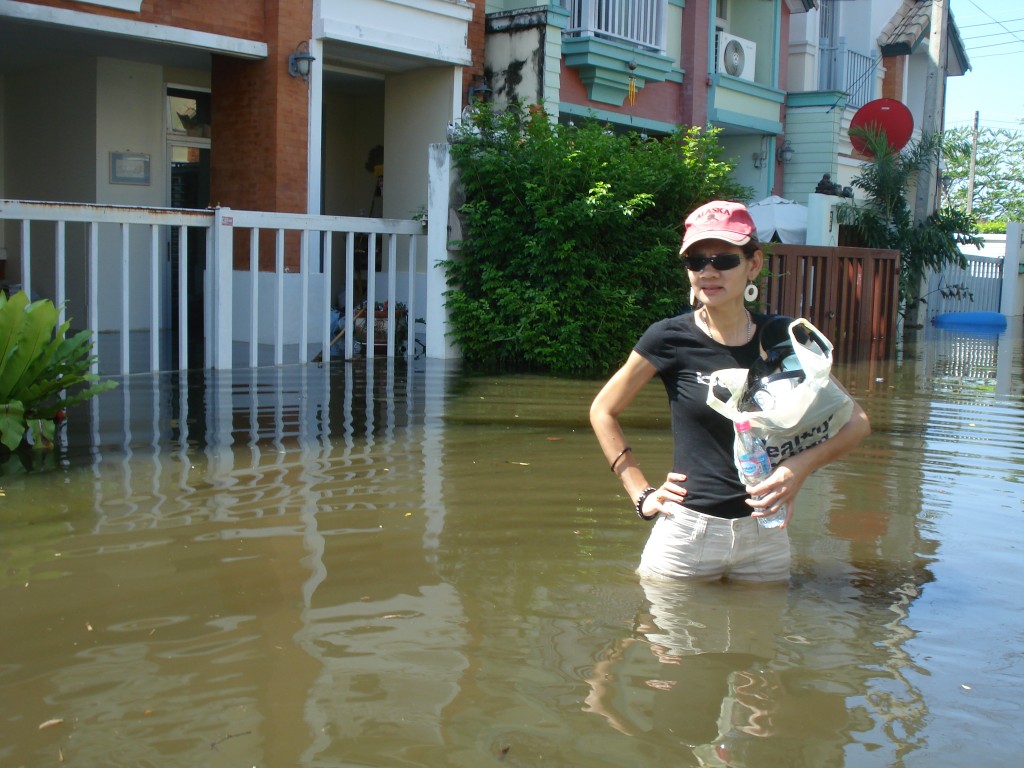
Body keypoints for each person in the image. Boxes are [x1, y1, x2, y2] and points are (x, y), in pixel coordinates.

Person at [590, 200, 871, 583]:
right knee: (667, 643)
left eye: (724, 260)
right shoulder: (669, 338)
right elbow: (603, 410)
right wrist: (641, 494)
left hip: (766, 537)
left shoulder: (784, 337)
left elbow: (856, 423)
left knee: (759, 642)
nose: (708, 271)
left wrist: (797, 469)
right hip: (685, 534)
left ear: (753, 264)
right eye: (696, 262)